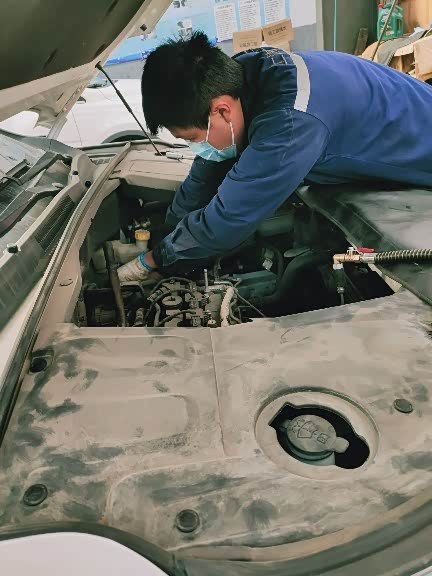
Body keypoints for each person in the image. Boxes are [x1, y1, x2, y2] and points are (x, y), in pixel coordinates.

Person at [118, 31, 432, 283]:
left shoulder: (289, 123)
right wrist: (170, 229)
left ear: (222, 111)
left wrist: (153, 260)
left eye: (192, 139)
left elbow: (228, 219)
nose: (196, 149)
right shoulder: (242, 75)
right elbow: (208, 169)